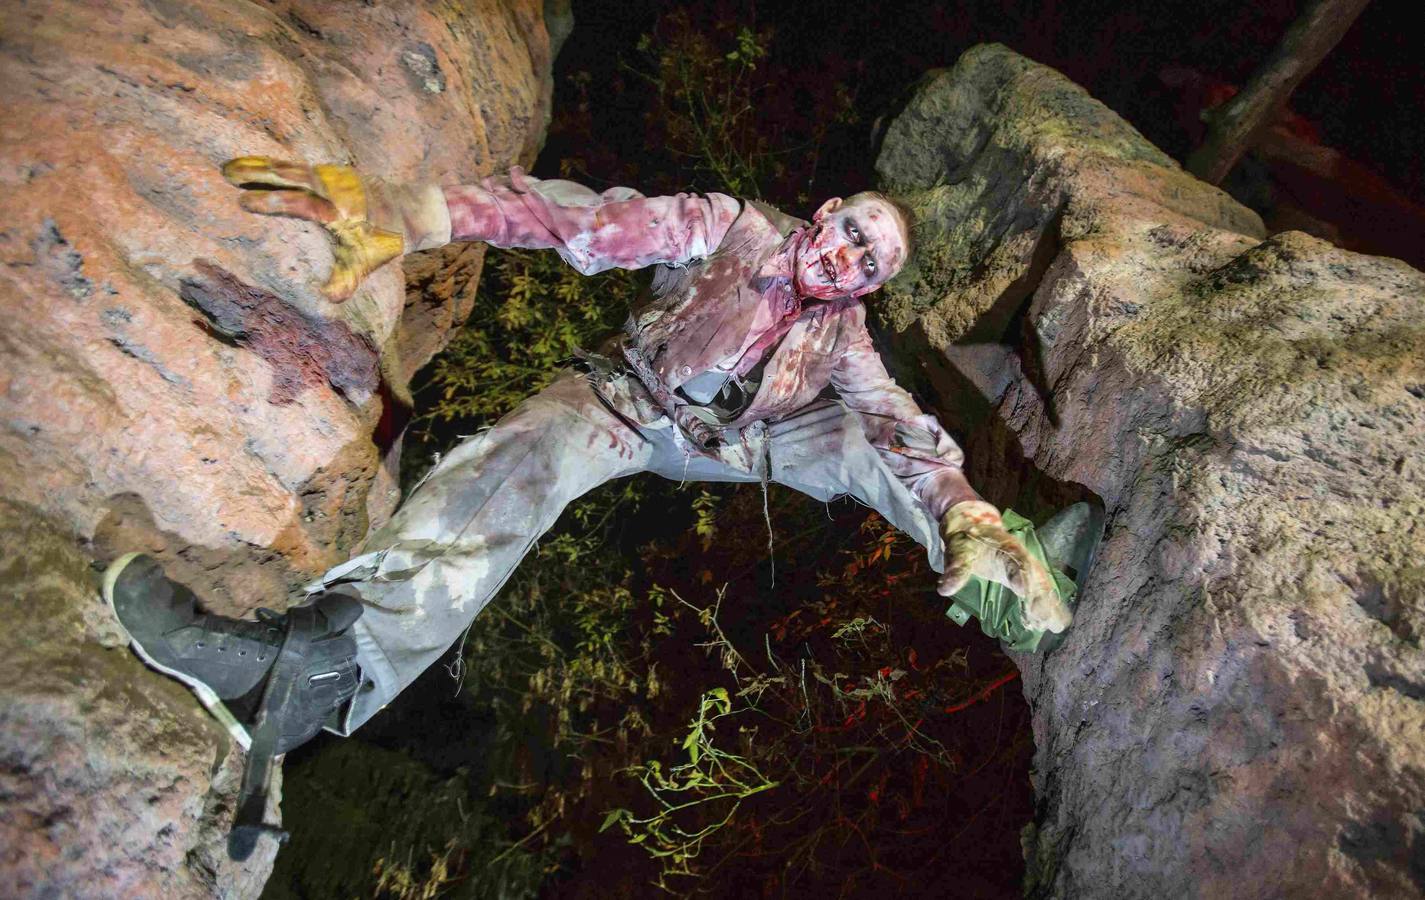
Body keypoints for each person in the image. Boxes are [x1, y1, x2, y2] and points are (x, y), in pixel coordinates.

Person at [104, 158, 1097, 859]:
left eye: (871, 266)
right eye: (852, 236)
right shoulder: (729, 225)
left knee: (868, 437)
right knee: (523, 462)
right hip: (628, 401)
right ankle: (316, 666)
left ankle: (994, 556)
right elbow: (583, 222)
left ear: (871, 288)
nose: (848, 262)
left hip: (731, 446)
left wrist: (961, 501)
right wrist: (422, 211)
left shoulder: (846, 339)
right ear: (825, 215)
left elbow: (898, 421)